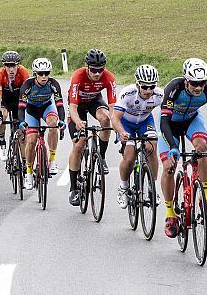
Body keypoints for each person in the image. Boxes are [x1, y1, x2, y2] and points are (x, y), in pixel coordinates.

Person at [159, 58, 207, 238]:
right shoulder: (173, 88)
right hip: (170, 127)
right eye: (194, 83)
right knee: (168, 167)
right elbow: (164, 121)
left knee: (202, 148)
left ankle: (203, 198)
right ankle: (170, 215)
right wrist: (173, 147)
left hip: (191, 121)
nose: (198, 88)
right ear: (186, 79)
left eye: (202, 83)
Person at [67, 49, 117, 206]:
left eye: (100, 70)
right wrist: (78, 122)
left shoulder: (109, 77)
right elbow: (73, 108)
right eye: (94, 70)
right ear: (86, 67)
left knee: (106, 119)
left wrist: (117, 125)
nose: (97, 73)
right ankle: (74, 188)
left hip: (95, 100)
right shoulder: (78, 76)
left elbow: (113, 107)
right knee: (79, 144)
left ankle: (101, 157)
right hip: (78, 105)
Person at [111, 64, 164, 209]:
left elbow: (169, 114)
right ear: (137, 84)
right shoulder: (128, 93)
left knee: (151, 148)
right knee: (129, 158)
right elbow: (115, 118)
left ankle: (152, 187)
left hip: (145, 121)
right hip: (126, 123)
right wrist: (121, 132)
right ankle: (123, 187)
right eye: (144, 87)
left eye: (152, 86)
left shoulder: (159, 95)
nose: (148, 90)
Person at [18, 58, 65, 190]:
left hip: (46, 107)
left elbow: (59, 104)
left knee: (53, 124)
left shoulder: (53, 84)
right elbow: (21, 107)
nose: (44, 76)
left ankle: (53, 160)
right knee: (31, 141)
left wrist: (61, 120)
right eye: (40, 73)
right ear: (35, 74)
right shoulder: (27, 86)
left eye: (46, 73)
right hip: (31, 110)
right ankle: (28, 173)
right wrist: (22, 122)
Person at [0, 51, 30, 162]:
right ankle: (2, 142)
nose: (11, 69)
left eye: (13, 66)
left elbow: (27, 95)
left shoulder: (23, 72)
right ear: (4, 66)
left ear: (18, 65)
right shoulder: (0, 74)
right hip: (5, 99)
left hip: (19, 100)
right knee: (2, 116)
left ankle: (24, 162)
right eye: (8, 66)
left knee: (21, 132)